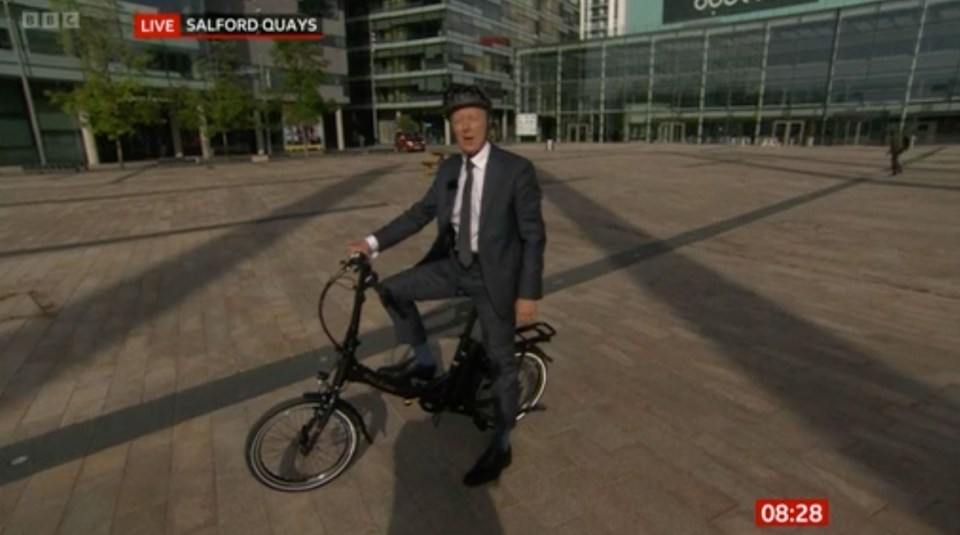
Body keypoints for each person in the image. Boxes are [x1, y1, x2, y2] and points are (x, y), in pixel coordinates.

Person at [347, 83, 546, 486]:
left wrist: (527, 294)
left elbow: (533, 235)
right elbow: (419, 214)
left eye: (472, 118)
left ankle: (502, 444)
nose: (466, 127)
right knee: (392, 289)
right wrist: (370, 243)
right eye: (458, 121)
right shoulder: (449, 169)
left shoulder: (516, 170)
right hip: (454, 267)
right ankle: (423, 360)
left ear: (488, 121)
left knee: (501, 363)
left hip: (496, 281)